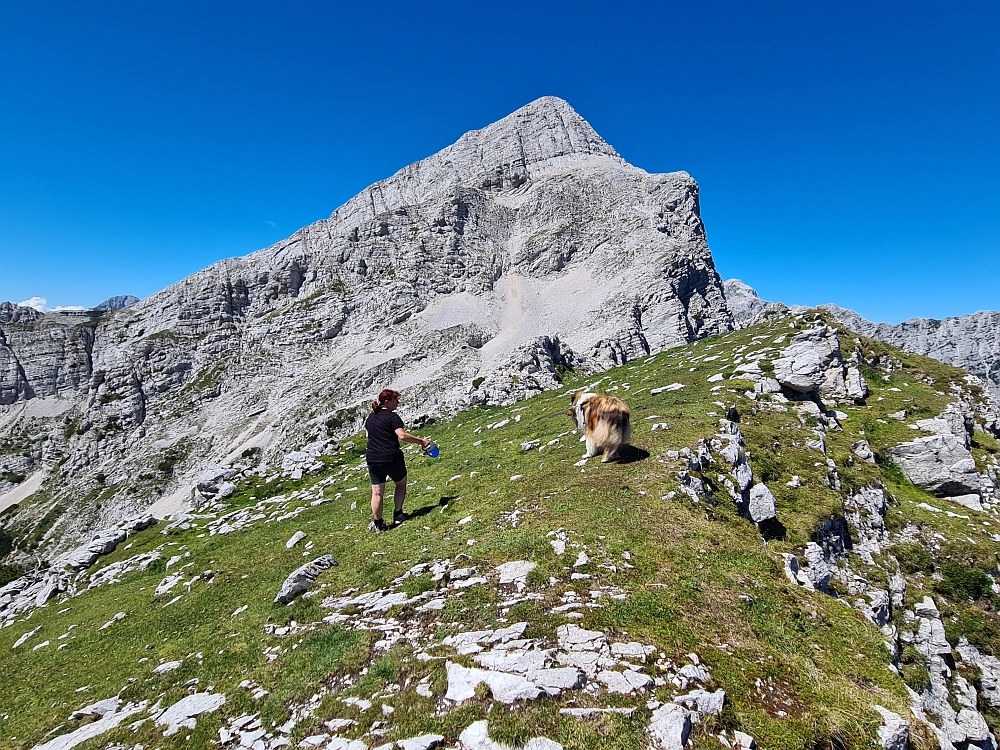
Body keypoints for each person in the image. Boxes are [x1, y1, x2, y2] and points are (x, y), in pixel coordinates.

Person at [364, 388, 431, 532]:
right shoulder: (392, 417)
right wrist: (422, 442)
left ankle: (379, 524)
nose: (398, 403)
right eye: (396, 400)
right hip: (391, 457)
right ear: (387, 402)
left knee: (377, 493)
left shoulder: (370, 417)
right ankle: (398, 514)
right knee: (401, 484)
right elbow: (402, 435)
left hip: (373, 458)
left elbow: (368, 436)